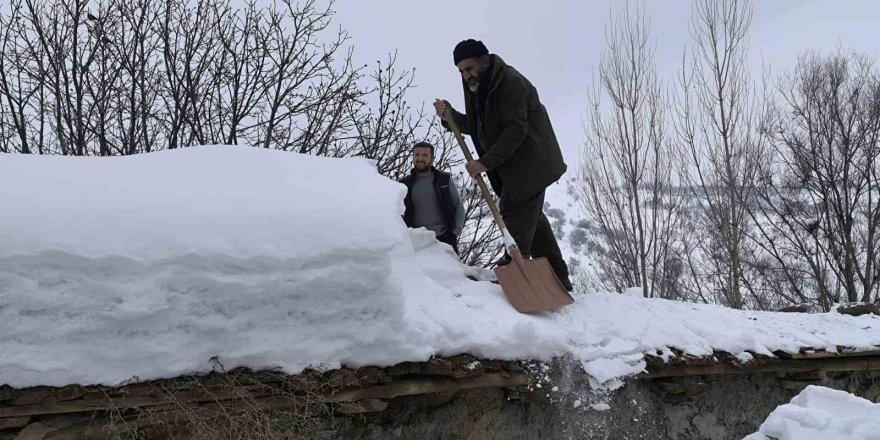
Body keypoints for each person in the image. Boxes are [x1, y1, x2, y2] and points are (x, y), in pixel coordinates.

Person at [434, 39, 572, 291]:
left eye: (469, 68)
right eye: (461, 71)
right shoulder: (478, 87)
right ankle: (558, 278)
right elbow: (477, 126)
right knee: (533, 222)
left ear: (485, 61)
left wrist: (485, 162)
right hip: (511, 166)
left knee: (514, 213)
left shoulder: (510, 83)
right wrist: (450, 116)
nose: (466, 76)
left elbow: (515, 130)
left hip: (532, 162)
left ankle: (513, 271)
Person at [400, 141, 466, 256]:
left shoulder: (444, 180)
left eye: (425, 155)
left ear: (432, 159)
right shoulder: (404, 184)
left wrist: (454, 233)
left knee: (453, 273)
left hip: (445, 238)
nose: (420, 158)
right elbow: (398, 212)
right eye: (417, 155)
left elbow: (458, 206)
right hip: (417, 240)